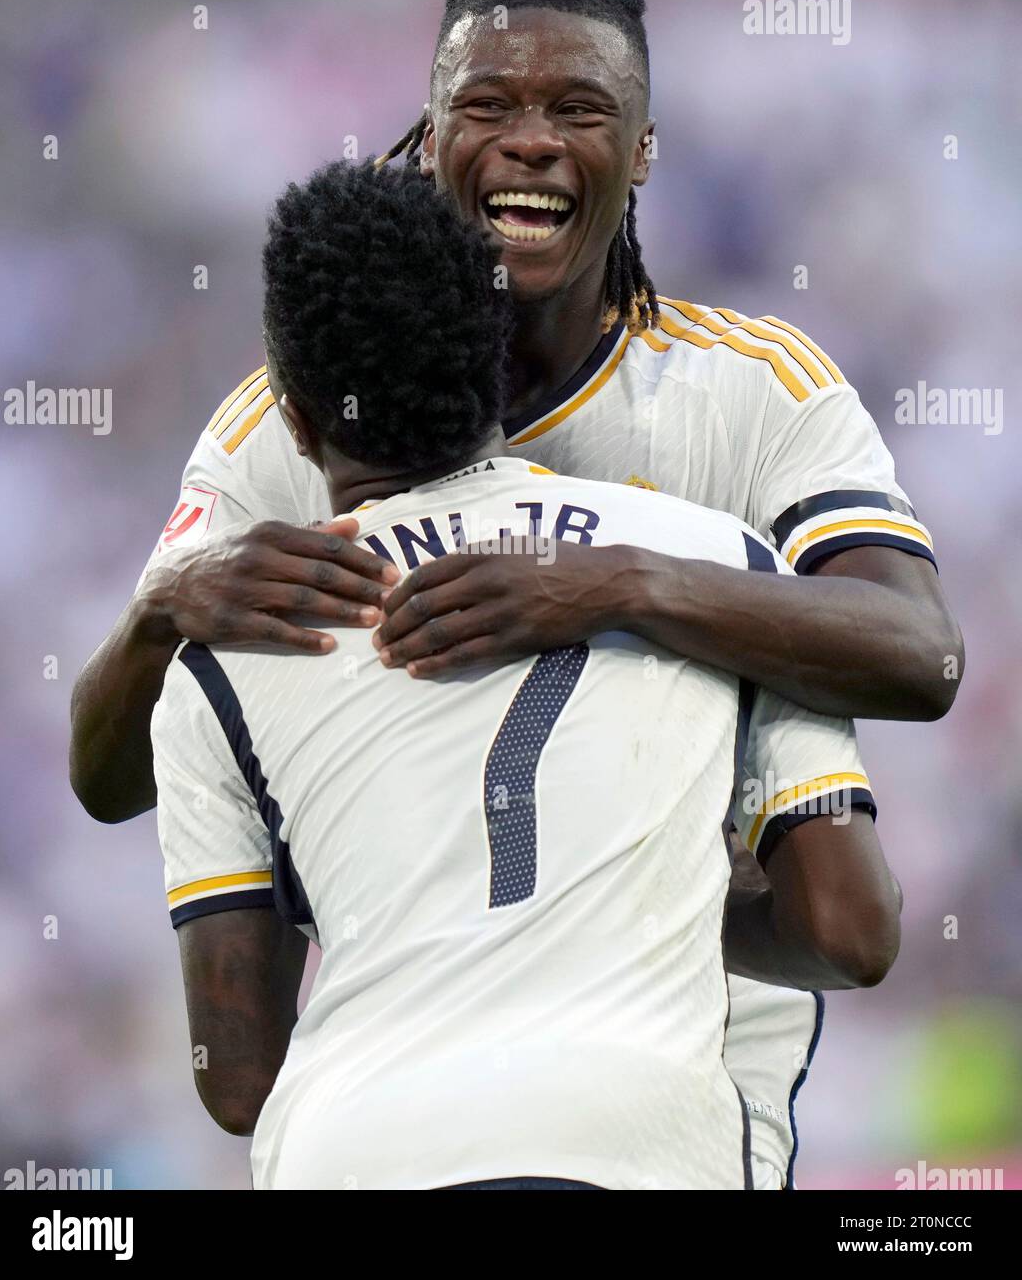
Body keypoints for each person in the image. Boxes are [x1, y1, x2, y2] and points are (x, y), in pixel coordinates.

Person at [73, 0, 955, 1186]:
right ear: (429, 141)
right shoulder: (277, 426)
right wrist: (162, 616)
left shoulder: (747, 392)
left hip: (677, 1051)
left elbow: (922, 655)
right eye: (486, 105)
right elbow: (107, 776)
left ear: (642, 151)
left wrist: (617, 590)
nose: (531, 138)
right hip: (447, 1050)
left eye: (578, 108)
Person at [153, 159, 901, 1190]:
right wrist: (649, 901)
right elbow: (850, 931)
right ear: (494, 360)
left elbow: (236, 1079)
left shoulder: (224, 656)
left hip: (358, 1152)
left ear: (293, 418)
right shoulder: (724, 569)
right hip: (631, 1142)